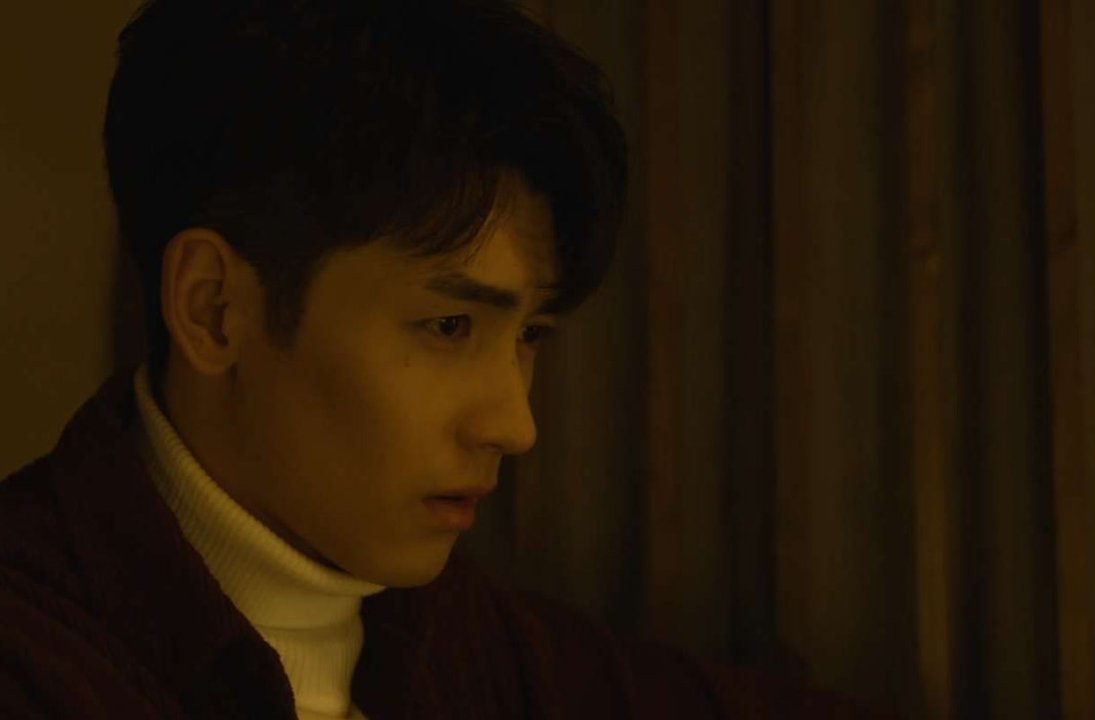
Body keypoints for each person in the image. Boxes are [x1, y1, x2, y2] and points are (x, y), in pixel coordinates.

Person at [0, 1, 869, 717]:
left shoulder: (447, 631)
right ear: (213, 308)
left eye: (529, 335)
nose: (516, 425)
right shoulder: (41, 657)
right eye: (450, 326)